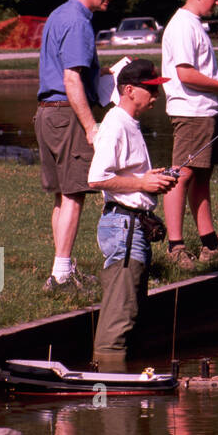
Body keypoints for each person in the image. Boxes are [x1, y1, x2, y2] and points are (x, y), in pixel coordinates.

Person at [36, 0, 128, 293]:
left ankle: (63, 267)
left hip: (47, 112)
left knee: (62, 196)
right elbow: (71, 78)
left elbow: (71, 72)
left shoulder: (59, 15)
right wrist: (90, 126)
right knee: (75, 193)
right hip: (68, 114)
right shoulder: (79, 23)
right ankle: (61, 276)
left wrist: (104, 74)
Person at [88, 58, 177, 370]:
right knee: (119, 317)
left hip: (133, 227)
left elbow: (124, 172)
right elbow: (97, 178)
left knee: (132, 310)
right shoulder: (115, 124)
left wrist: (152, 178)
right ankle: (111, 382)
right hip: (123, 227)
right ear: (128, 90)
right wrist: (142, 182)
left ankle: (128, 392)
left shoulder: (130, 124)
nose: (156, 96)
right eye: (150, 90)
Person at [161, 0, 218, 269]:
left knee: (202, 176)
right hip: (190, 112)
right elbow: (184, 74)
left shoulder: (195, 25)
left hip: (204, 110)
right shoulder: (183, 25)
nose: (217, 3)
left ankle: (210, 243)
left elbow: (195, 74)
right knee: (181, 176)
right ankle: (175, 247)